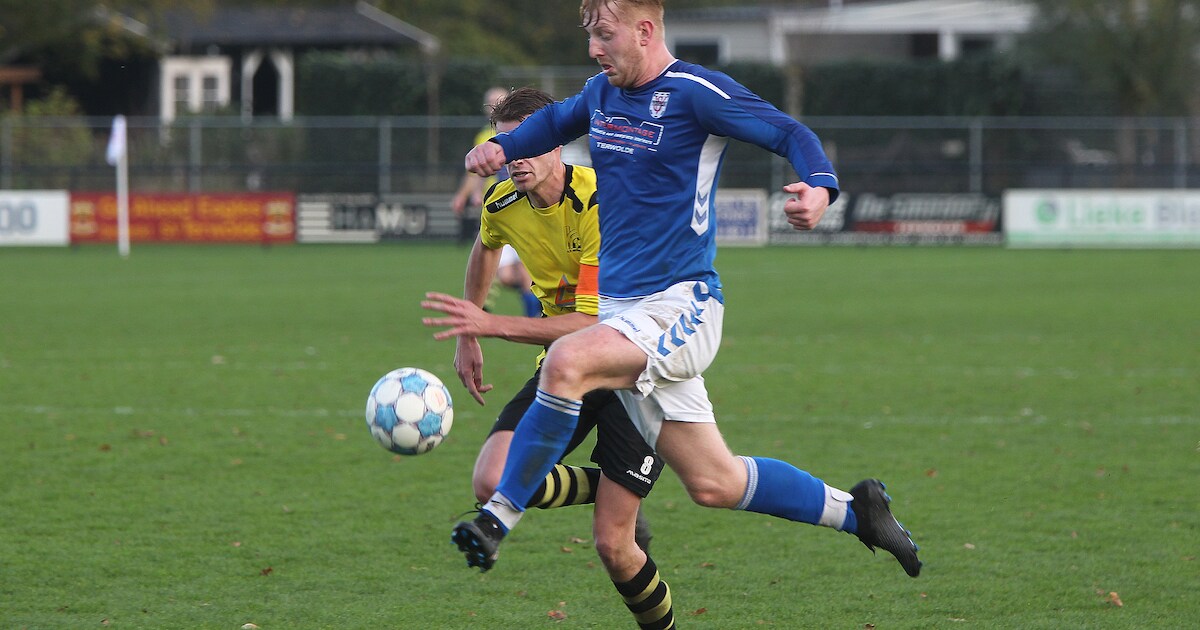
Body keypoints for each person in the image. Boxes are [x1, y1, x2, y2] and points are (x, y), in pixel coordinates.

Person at [455, 1, 921, 625]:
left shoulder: (696, 92)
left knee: (565, 361)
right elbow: (550, 126)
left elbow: (788, 132)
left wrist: (819, 187)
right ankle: (858, 511)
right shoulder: (600, 94)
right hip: (627, 319)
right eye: (590, 36)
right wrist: (498, 149)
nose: (594, 49)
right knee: (715, 484)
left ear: (644, 31)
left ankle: (497, 519)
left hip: (682, 304)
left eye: (603, 34)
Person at [423, 86, 662, 580]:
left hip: (628, 368)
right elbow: (485, 246)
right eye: (504, 146)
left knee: (616, 548)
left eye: (525, 144)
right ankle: (609, 485)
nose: (514, 157)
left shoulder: (601, 200)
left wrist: (490, 324)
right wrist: (469, 334)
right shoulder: (502, 201)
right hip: (565, 366)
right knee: (491, 481)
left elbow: (595, 323)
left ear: (555, 143)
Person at [452, 87, 543, 318]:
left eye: (498, 102)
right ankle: (535, 302)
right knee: (504, 273)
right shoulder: (485, 136)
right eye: (490, 103)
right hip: (501, 202)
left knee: (523, 265)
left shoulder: (527, 129)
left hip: (525, 200)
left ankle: (534, 313)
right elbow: (476, 171)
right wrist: (470, 194)